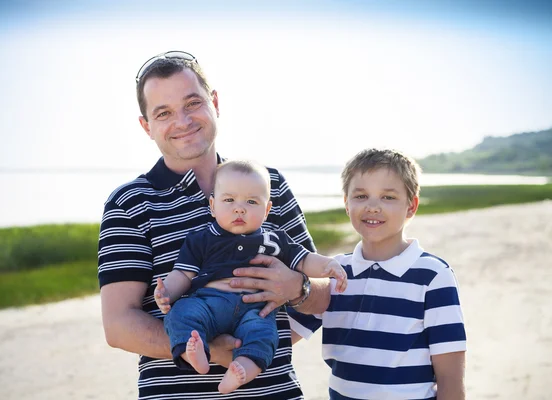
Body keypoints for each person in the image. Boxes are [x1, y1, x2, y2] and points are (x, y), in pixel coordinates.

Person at [97, 50, 330, 399]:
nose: (183, 121)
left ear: (214, 102)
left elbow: (324, 297)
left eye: (192, 103)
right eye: (164, 113)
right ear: (147, 126)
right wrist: (210, 346)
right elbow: (118, 326)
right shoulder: (130, 203)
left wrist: (295, 292)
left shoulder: (270, 186)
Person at [154, 159, 347, 394]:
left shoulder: (275, 240)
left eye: (251, 201)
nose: (239, 208)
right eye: (229, 200)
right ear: (213, 206)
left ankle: (241, 370)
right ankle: (195, 354)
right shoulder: (202, 238)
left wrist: (328, 265)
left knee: (264, 335)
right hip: (208, 303)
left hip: (255, 309)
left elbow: (305, 260)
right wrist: (167, 293)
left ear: (267, 210)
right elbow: (183, 273)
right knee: (180, 313)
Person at [289, 148, 467, 399]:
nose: (373, 207)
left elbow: (450, 377)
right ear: (346, 204)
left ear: (411, 206)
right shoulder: (334, 274)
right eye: (361, 196)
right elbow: (281, 338)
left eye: (388, 197)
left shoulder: (434, 276)